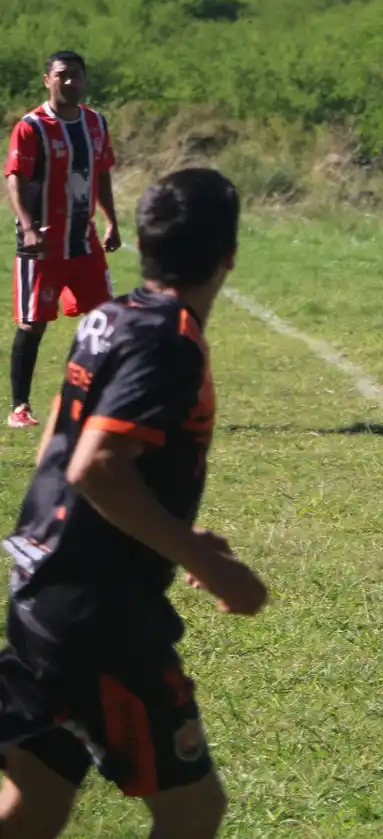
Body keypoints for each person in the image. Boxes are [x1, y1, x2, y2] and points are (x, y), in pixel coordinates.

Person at [0, 167, 266, 837]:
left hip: (40, 588)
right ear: (229, 255)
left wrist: (169, 527)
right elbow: (97, 465)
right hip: (101, 617)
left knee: (33, 805)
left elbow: (55, 452)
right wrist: (206, 559)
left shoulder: (109, 316)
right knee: (192, 807)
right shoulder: (170, 340)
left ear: (146, 243)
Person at [6, 51, 123, 429]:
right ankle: (20, 407)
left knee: (106, 319)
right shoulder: (32, 127)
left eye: (76, 75)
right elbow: (15, 179)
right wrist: (26, 226)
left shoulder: (95, 123)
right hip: (42, 241)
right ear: (47, 80)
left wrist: (111, 221)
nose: (70, 82)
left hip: (82, 240)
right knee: (33, 323)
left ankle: (102, 399)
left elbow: (102, 173)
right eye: (62, 76)